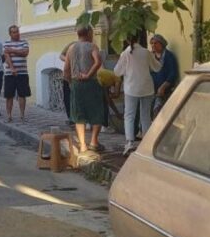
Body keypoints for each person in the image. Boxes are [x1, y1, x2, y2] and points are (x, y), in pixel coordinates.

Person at [114, 34, 163, 155]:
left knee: (129, 115)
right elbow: (157, 68)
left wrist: (127, 71)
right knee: (145, 115)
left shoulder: (125, 53)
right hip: (147, 88)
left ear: (127, 39)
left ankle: (130, 143)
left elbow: (116, 71)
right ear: (140, 39)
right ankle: (146, 142)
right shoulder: (146, 52)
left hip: (131, 88)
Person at [63, 25, 105, 153]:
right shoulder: (92, 46)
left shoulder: (71, 48)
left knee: (78, 114)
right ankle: (93, 141)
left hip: (76, 84)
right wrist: (88, 74)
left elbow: (66, 69)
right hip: (91, 83)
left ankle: (82, 145)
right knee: (97, 111)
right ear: (89, 33)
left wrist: (70, 82)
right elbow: (98, 62)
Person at [3, 25, 31, 122]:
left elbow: (25, 53)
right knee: (9, 95)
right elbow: (7, 56)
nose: (16, 33)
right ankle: (9, 116)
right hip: (9, 73)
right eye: (14, 32)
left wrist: (12, 50)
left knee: (22, 95)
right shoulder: (6, 43)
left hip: (22, 73)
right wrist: (12, 68)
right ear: (10, 34)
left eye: (17, 31)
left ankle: (22, 115)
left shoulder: (24, 42)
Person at [150, 34, 179, 117]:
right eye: (152, 43)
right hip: (151, 91)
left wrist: (163, 87)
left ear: (161, 44)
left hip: (164, 91)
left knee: (158, 113)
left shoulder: (169, 56)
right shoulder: (150, 56)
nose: (153, 45)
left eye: (156, 43)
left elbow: (173, 74)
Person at [59, 41, 76, 125]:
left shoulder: (91, 46)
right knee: (68, 97)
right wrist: (68, 59)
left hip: (79, 76)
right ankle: (71, 118)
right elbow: (61, 55)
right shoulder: (72, 44)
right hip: (68, 74)